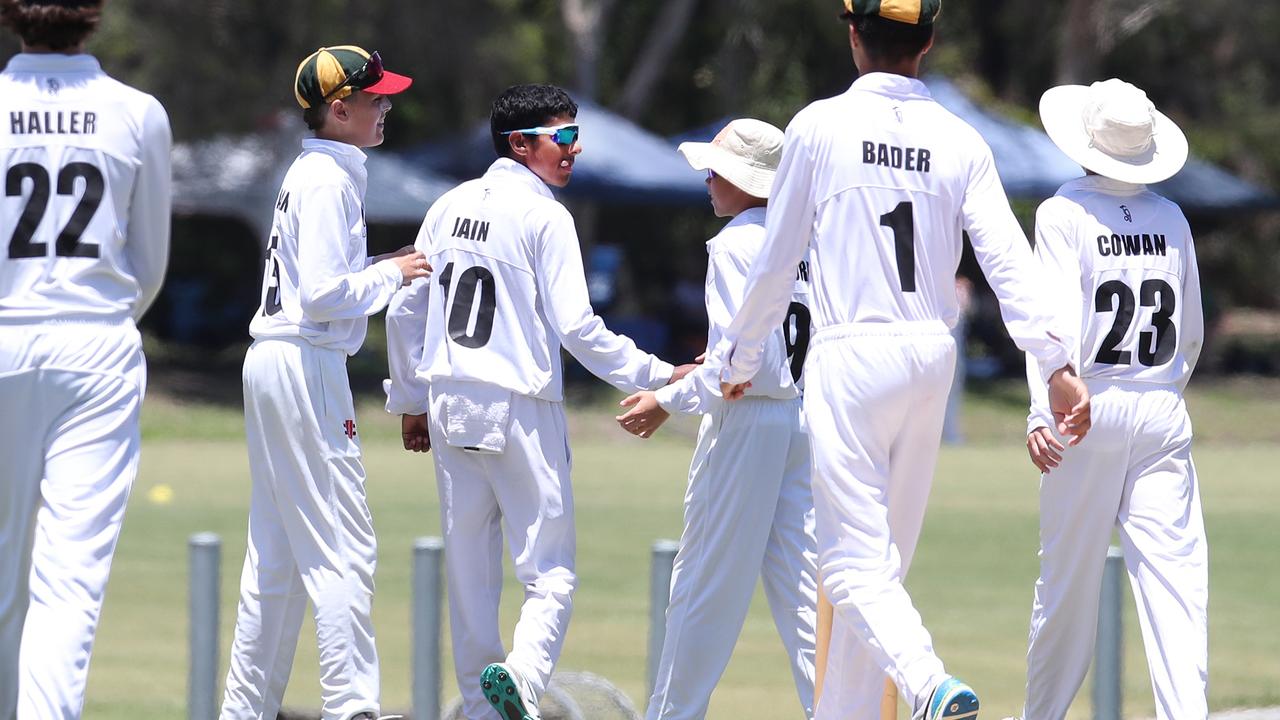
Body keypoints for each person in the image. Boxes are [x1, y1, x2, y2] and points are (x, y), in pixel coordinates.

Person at [713, 2, 1094, 719]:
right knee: (881, 569)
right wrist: (1055, 360)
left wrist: (739, 355)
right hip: (930, 355)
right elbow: (1007, 261)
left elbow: (776, 259)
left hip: (852, 352)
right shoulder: (960, 139)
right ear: (930, 42)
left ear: (854, 33)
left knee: (852, 567)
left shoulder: (819, 127)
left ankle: (927, 683)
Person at [384, 83, 692, 720]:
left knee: (470, 578)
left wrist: (410, 397)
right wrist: (660, 375)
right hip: (519, 402)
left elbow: (405, 306)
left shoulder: (447, 206)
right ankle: (521, 680)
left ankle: (478, 710)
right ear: (520, 144)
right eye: (566, 137)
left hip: (448, 401)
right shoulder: (546, 216)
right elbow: (577, 328)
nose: (575, 151)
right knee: (550, 574)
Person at [219, 45, 426, 720]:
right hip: (306, 363)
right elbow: (326, 295)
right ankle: (353, 708)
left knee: (276, 559)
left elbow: (327, 277)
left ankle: (244, 710)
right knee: (344, 545)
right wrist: (395, 274)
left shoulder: (315, 169)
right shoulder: (329, 179)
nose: (386, 105)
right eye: (376, 99)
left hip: (278, 360)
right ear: (340, 110)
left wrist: (383, 262)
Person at [1009, 79, 1206, 720]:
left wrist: (1045, 410)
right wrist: (1162, 390)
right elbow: (1194, 331)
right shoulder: (1172, 217)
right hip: (1160, 403)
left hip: (1085, 406)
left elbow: (1053, 323)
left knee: (1066, 588)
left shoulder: (1063, 211)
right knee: (1176, 587)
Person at [616, 119, 820, 720]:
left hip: (747, 423)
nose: (708, 178)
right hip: (802, 420)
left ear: (747, 181)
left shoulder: (736, 243)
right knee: (805, 593)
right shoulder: (807, 238)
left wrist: (664, 401)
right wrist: (712, 369)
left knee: (703, 588)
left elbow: (739, 370)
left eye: (719, 170)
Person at [0, 0, 170, 716]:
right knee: (68, 581)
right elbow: (150, 262)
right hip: (97, 344)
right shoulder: (137, 112)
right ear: (91, 17)